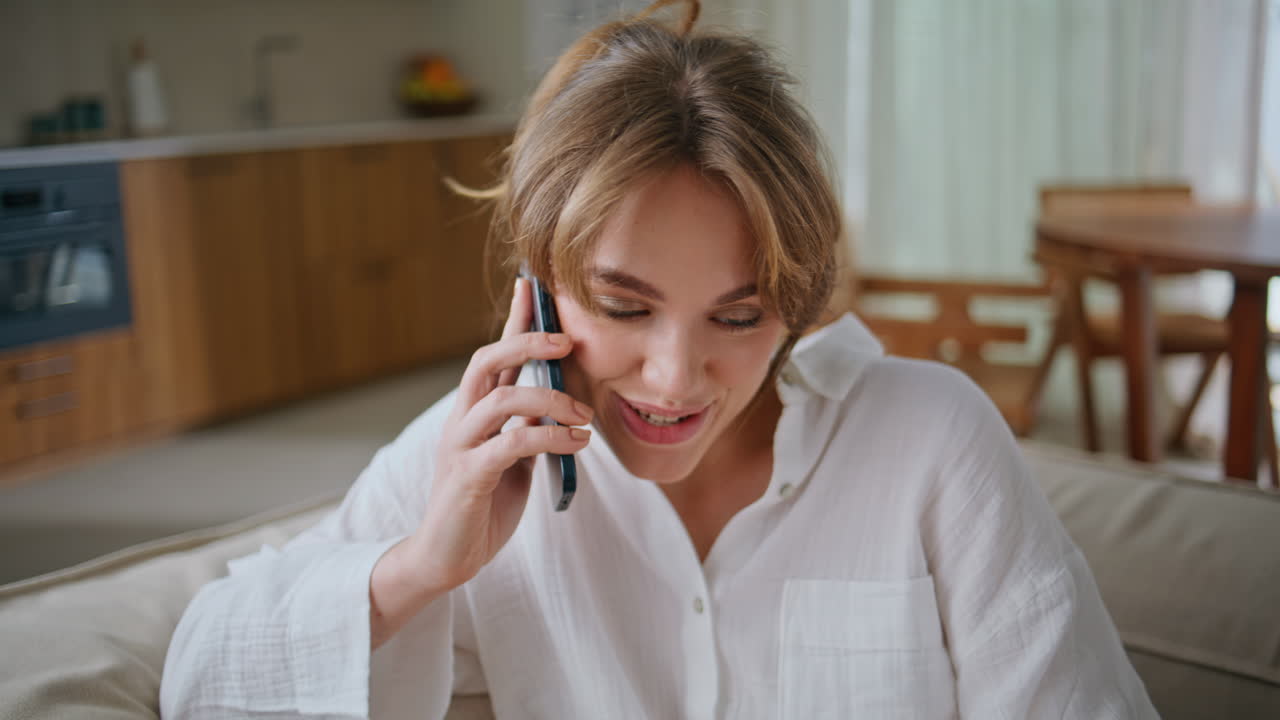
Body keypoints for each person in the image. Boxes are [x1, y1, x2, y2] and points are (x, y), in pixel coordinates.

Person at [160, 1, 1158, 717]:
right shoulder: (468, 463)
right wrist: (420, 569)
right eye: (622, 306)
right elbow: (199, 680)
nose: (675, 379)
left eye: (739, 315)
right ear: (539, 280)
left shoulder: (930, 440)